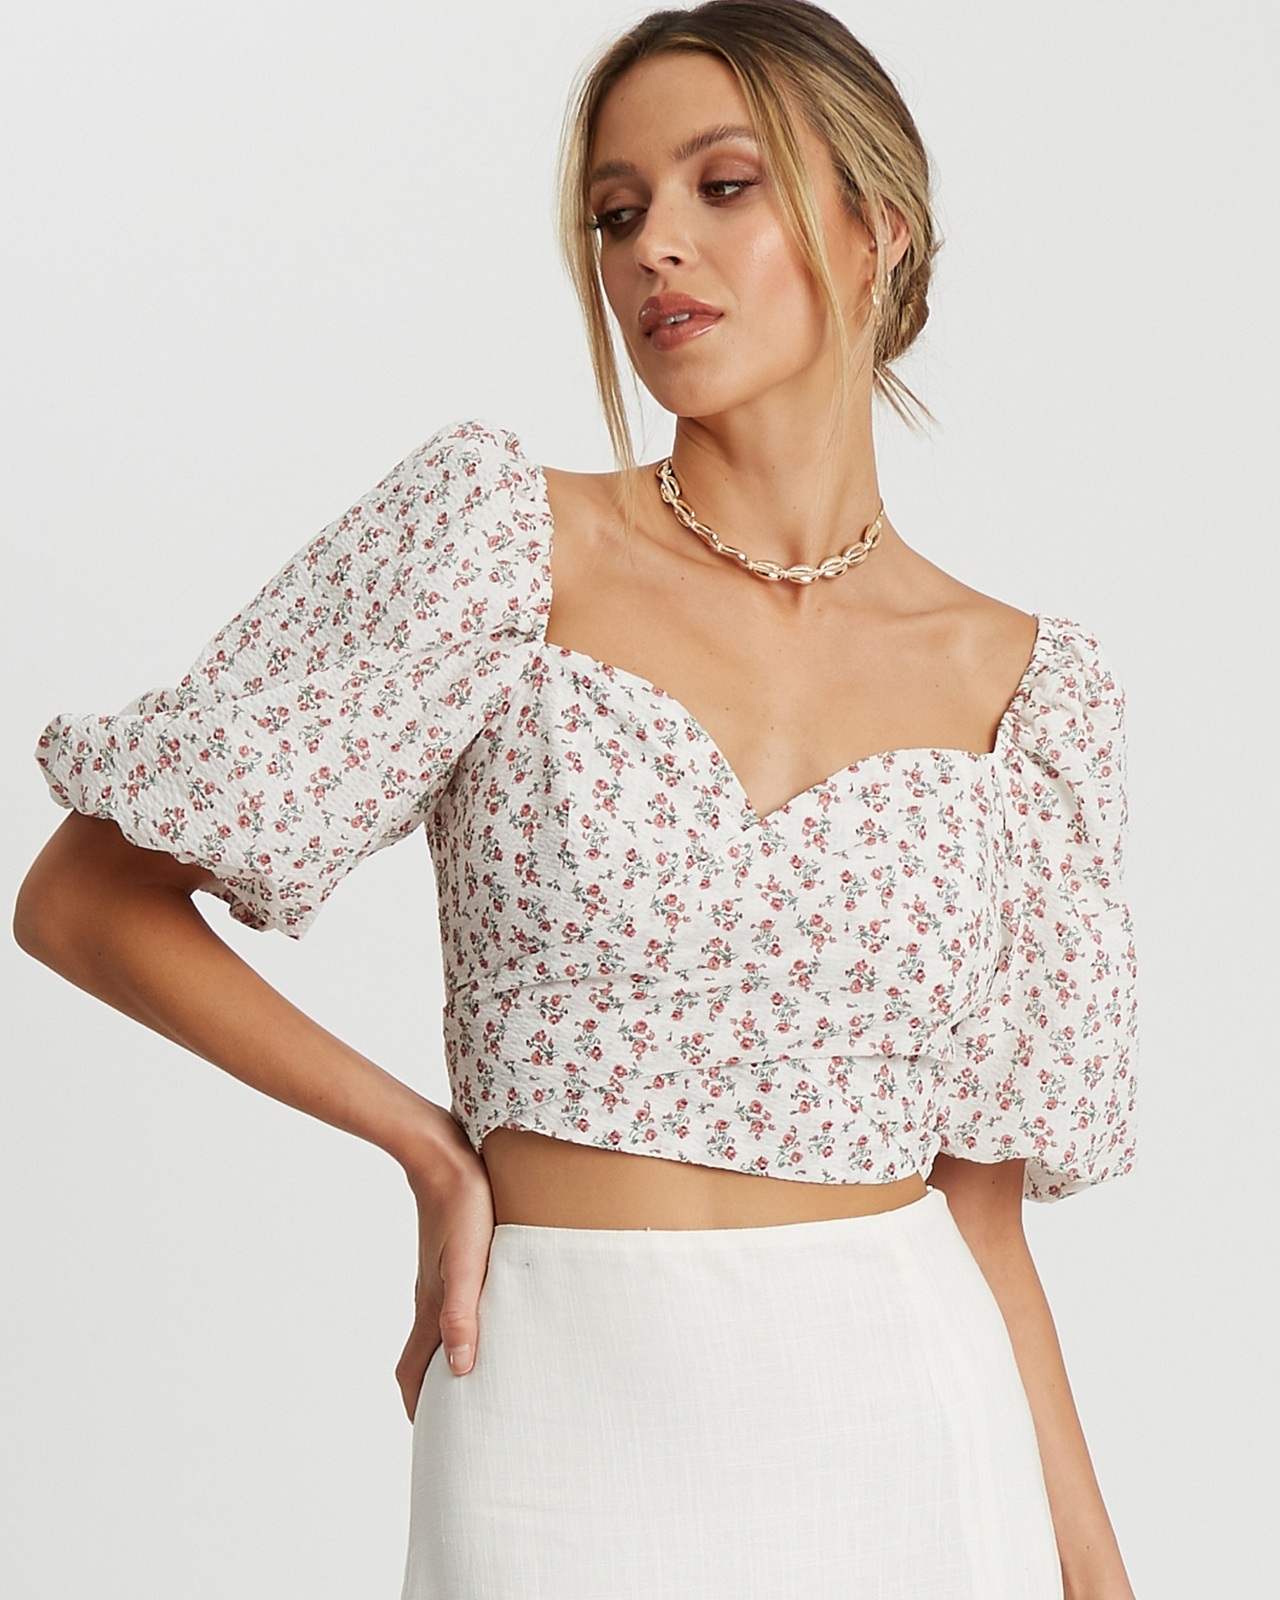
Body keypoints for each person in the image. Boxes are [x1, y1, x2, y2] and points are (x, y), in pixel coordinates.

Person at [14, 2, 1140, 1596]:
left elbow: (986, 1225)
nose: (653, 247)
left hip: (908, 1433)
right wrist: (429, 1148)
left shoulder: (1029, 692)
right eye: (618, 213)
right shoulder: (499, 546)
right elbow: (82, 900)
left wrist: (1100, 1579)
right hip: (554, 1417)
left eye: (723, 187)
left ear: (877, 228)